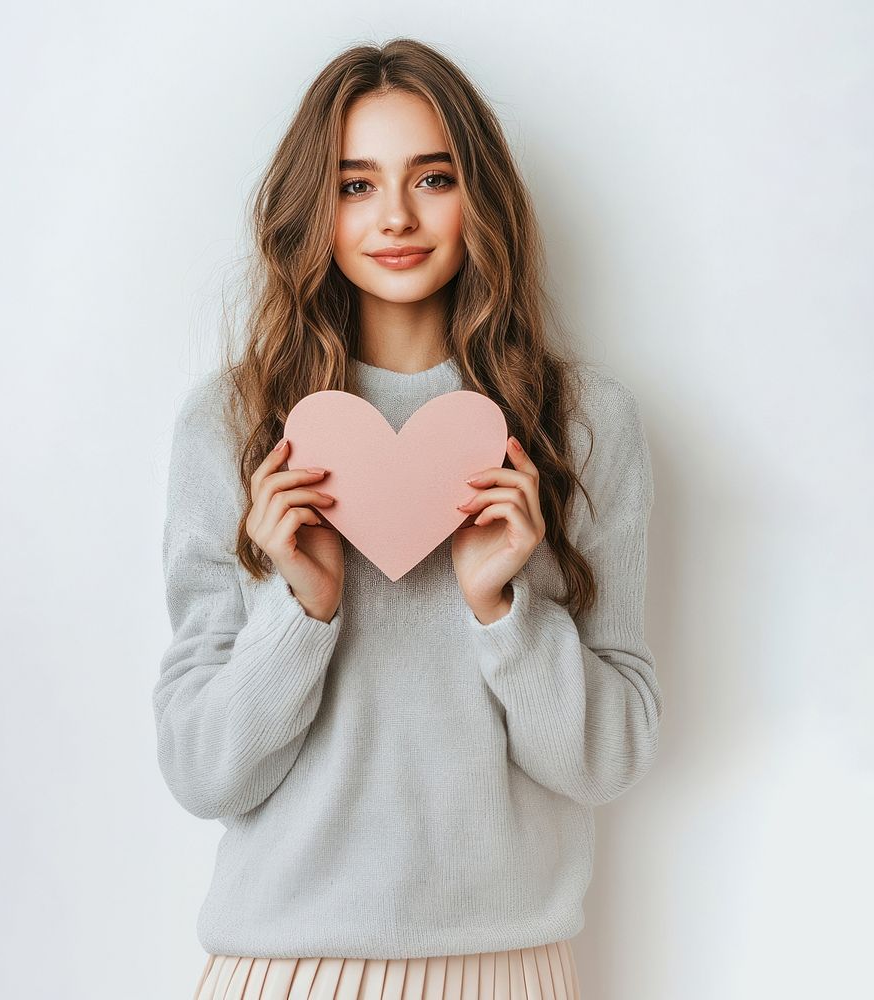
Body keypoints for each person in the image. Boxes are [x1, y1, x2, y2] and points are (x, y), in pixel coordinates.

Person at [153, 37, 664, 1000]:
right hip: (286, 971)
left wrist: (504, 612)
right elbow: (201, 773)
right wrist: (299, 614)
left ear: (482, 195)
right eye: (354, 185)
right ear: (314, 208)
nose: (394, 216)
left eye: (432, 177)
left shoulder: (582, 424)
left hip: (513, 971)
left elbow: (612, 758)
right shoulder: (232, 425)